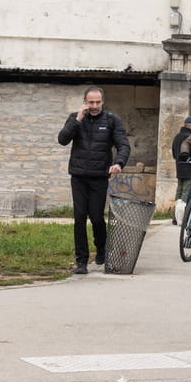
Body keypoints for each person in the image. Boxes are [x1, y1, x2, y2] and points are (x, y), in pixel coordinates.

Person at [57, 85, 131, 274]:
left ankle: (101, 248)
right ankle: (81, 261)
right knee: (79, 218)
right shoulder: (75, 118)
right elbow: (62, 139)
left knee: (97, 217)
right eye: (91, 102)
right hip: (79, 176)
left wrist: (119, 163)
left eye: (98, 102)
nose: (94, 105)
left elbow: (123, 144)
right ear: (85, 102)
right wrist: (77, 120)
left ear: (103, 102)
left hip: (99, 176)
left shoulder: (112, 120)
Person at [170, 116, 191, 224]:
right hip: (189, 169)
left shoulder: (177, 137)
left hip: (179, 168)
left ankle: (175, 217)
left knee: (179, 194)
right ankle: (183, 218)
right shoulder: (190, 137)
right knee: (186, 195)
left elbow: (173, 153)